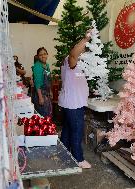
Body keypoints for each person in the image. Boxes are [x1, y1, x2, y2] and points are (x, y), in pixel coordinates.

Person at [58, 29, 92, 169]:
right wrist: (86, 39)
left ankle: (63, 154)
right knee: (76, 131)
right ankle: (78, 159)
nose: (85, 52)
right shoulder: (70, 60)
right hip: (73, 105)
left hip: (70, 103)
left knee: (67, 130)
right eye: (83, 50)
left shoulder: (76, 64)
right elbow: (73, 54)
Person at [32, 47, 52, 117]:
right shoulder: (37, 66)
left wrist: (50, 91)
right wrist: (40, 97)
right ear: (37, 56)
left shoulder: (47, 65)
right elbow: (37, 83)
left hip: (46, 94)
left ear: (47, 54)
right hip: (40, 94)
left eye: (44, 54)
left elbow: (48, 80)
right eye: (40, 55)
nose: (43, 56)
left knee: (48, 114)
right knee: (42, 116)